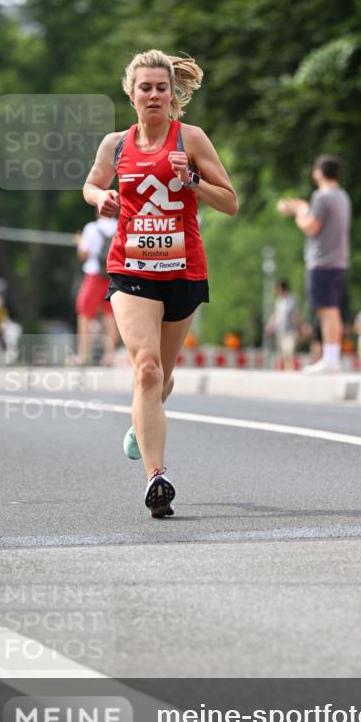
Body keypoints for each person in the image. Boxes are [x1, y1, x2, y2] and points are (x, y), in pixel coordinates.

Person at [82, 49, 238, 518]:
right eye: (145, 88)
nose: (154, 95)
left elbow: (230, 202)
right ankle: (157, 479)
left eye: (161, 88)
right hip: (130, 272)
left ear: (173, 95)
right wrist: (101, 197)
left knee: (162, 379)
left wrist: (190, 180)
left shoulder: (190, 138)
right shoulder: (115, 145)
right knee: (146, 370)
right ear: (131, 94)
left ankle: (140, 424)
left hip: (184, 273)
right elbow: (89, 185)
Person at [277, 154, 351, 374]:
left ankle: (329, 359)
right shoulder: (342, 196)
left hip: (321, 262)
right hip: (339, 261)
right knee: (333, 310)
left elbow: (311, 227)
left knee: (325, 311)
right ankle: (332, 356)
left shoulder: (322, 197)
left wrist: (299, 212)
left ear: (319, 172)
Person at [74, 214, 119, 365]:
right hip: (113, 276)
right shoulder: (120, 226)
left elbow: (83, 254)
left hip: (93, 276)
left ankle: (83, 355)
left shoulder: (92, 228)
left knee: (85, 313)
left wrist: (79, 242)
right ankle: (109, 356)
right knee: (110, 315)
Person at [266, 279, 300, 370]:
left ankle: (290, 371)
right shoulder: (279, 301)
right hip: (280, 331)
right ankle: (284, 372)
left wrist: (299, 329)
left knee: (288, 352)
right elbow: (276, 315)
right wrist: (271, 325)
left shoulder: (292, 300)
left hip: (290, 331)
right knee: (281, 355)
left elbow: (295, 315)